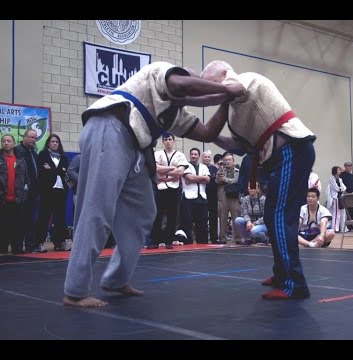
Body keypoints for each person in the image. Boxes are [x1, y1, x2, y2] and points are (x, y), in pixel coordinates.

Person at [63, 61, 245, 308]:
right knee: (97, 209)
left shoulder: (175, 114)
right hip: (109, 127)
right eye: (200, 85)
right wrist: (226, 92)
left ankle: (116, 279)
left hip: (134, 148)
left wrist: (229, 118)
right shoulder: (160, 72)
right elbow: (183, 84)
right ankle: (75, 291)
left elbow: (207, 135)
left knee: (144, 211)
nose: (195, 91)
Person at [198, 60, 316, 300]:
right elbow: (238, 147)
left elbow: (233, 89)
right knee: (273, 216)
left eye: (211, 84)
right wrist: (209, 136)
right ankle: (282, 274)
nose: (212, 92)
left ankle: (295, 284)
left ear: (223, 73)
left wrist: (194, 94)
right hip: (279, 159)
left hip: (291, 150)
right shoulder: (233, 113)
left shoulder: (247, 79)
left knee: (281, 217)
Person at [0, 134, 29, 254]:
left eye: (9, 141)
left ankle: (17, 248)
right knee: (2, 226)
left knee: (17, 226)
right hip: (2, 199)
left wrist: (23, 195)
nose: (6, 143)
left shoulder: (21, 160)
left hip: (17, 199)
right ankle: (2, 249)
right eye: (3, 141)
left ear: (14, 143)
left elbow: (27, 180)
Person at [15, 129, 41, 253]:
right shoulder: (18, 151)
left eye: (35, 138)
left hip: (34, 191)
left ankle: (30, 246)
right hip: (23, 191)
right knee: (20, 219)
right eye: (31, 137)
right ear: (24, 137)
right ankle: (19, 247)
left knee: (31, 220)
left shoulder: (34, 153)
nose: (33, 140)